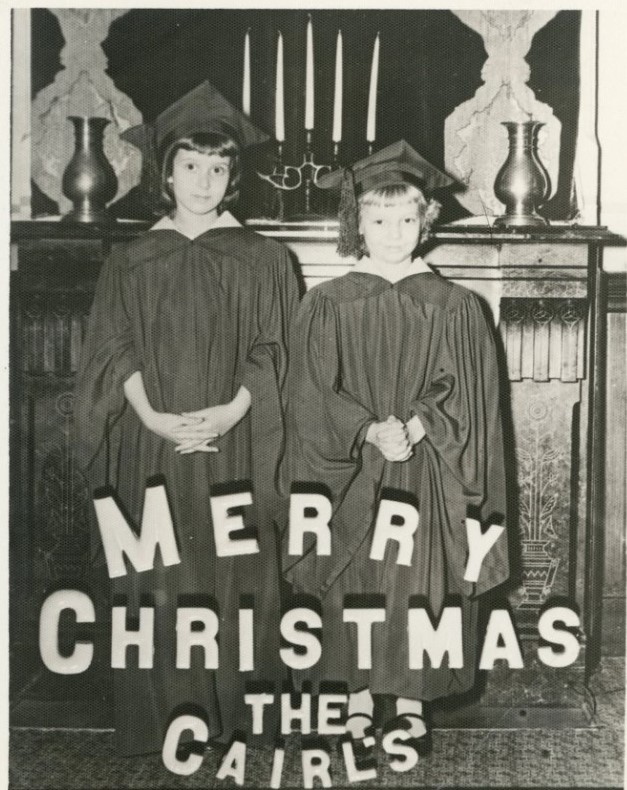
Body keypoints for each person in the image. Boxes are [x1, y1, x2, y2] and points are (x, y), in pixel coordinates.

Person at [74, 81, 299, 756]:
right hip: (154, 445)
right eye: (190, 166)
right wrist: (154, 418)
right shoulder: (132, 258)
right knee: (159, 577)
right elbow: (112, 349)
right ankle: (163, 717)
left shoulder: (264, 259)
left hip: (236, 446)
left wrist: (231, 414)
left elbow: (277, 350)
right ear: (165, 171)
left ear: (233, 178)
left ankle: (237, 716)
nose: (203, 181)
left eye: (218, 168)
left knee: (234, 573)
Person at [281, 140, 509, 748]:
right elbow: (307, 390)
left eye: (408, 218)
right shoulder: (326, 303)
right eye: (379, 220)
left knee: (418, 582)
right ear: (356, 222)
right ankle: (356, 703)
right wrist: (364, 427)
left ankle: (411, 703)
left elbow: (468, 392)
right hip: (352, 471)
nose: (393, 232)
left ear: (426, 222)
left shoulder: (456, 306)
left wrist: (416, 423)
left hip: (426, 469)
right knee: (356, 580)